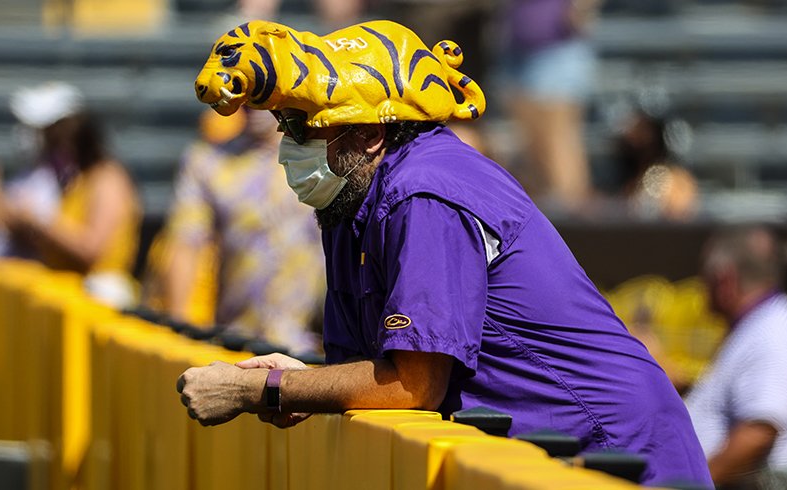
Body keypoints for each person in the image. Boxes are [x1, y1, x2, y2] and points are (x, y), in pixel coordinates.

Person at [177, 19, 712, 487]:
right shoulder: (350, 198)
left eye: (301, 127)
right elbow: (368, 373)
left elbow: (413, 386)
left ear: (368, 135)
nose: (286, 144)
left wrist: (267, 390)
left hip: (613, 454)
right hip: (541, 455)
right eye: (283, 125)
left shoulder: (423, 192)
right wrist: (294, 381)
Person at [145, 107, 325, 355]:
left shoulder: (321, 157)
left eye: (263, 92)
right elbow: (185, 244)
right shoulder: (209, 162)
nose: (253, 103)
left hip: (308, 348)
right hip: (237, 344)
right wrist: (181, 334)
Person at [0, 81, 142, 308]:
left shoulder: (107, 178)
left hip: (101, 298)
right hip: (71, 298)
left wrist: (38, 221)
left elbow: (92, 249)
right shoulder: (76, 182)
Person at [686, 226, 787, 488]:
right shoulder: (762, 323)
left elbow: (758, 432)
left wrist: (693, 484)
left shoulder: (775, 333)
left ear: (725, 280)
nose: (701, 289)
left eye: (705, 278)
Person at [498, 0, 602, 213]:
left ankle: (574, 221)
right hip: (519, 47)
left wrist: (580, 9)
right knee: (534, 144)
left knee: (558, 140)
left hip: (556, 49)